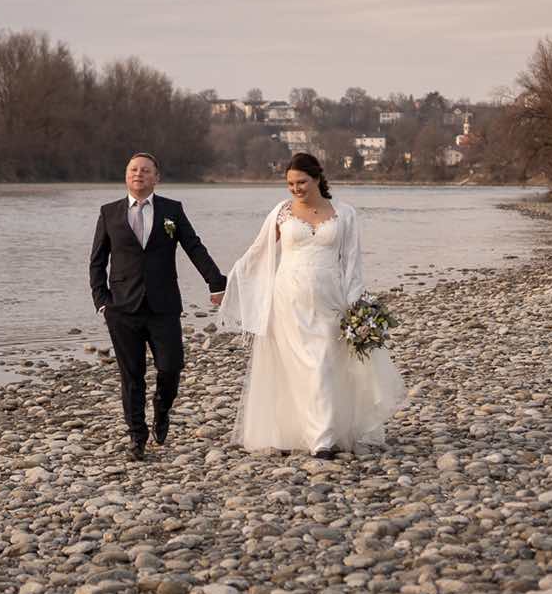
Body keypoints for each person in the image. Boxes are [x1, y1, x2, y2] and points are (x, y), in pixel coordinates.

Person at [217, 152, 406, 458]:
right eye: (290, 184)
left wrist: (355, 306)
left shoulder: (344, 214)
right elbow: (257, 252)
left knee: (326, 365)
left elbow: (353, 263)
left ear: (317, 177)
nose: (296, 189)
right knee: (298, 368)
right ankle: (317, 440)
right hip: (287, 301)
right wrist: (229, 283)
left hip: (330, 300)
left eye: (301, 182)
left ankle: (325, 433)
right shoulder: (280, 213)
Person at [89, 152, 227, 461]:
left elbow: (194, 246)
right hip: (122, 309)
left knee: (171, 367)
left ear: (156, 177)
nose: (138, 174)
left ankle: (162, 409)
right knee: (131, 375)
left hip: (163, 306)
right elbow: (97, 261)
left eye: (145, 170)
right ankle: (137, 437)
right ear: (126, 176)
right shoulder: (109, 212)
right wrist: (102, 303)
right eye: (133, 169)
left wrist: (216, 281)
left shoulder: (171, 210)